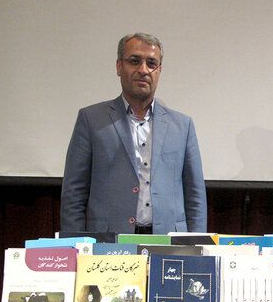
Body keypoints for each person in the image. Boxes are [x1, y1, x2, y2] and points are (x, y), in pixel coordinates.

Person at [60, 33, 207, 234]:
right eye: (134, 61)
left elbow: (195, 196)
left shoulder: (182, 126)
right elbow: (74, 194)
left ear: (159, 70)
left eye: (151, 63)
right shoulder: (91, 120)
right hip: (109, 240)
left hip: (168, 240)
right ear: (119, 66)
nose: (143, 70)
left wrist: (196, 242)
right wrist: (75, 243)